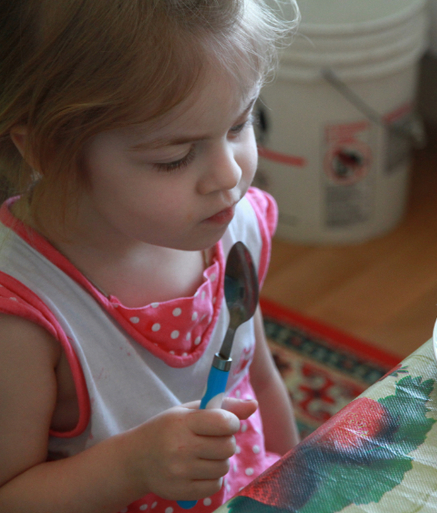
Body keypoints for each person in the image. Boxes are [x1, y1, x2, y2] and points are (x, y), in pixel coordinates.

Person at [0, 1, 300, 511]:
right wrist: (132, 465)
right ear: (49, 151)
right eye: (174, 158)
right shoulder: (22, 315)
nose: (230, 174)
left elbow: (258, 377)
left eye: (239, 124)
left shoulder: (233, 224)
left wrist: (299, 483)